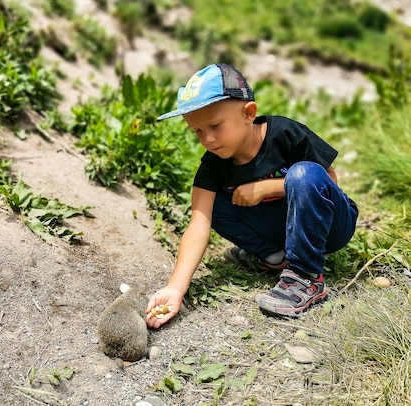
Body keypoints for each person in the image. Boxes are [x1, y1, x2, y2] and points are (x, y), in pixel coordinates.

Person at [145, 63, 358, 326]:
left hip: (331, 227)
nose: (208, 139)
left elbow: (329, 181)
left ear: (249, 113)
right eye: (198, 131)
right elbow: (199, 225)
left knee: (303, 174)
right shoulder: (213, 165)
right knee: (212, 208)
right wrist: (175, 288)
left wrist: (270, 187)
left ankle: (306, 277)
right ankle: (275, 257)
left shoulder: (285, 134)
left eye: (215, 125)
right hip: (281, 229)